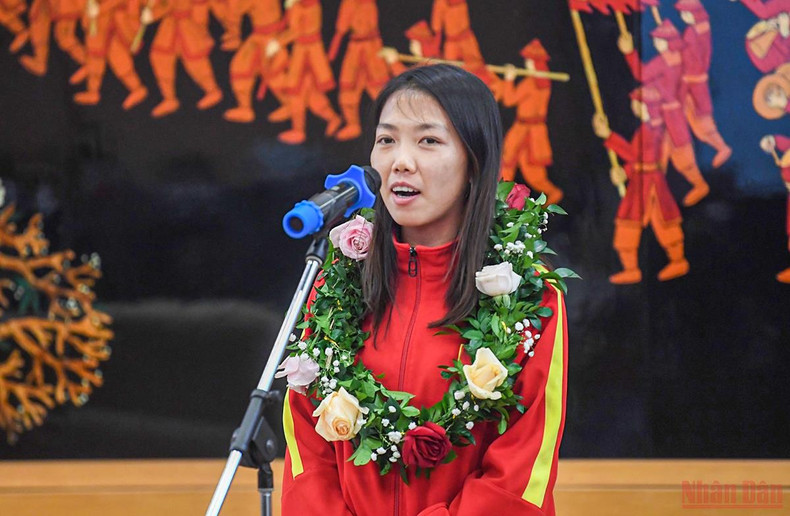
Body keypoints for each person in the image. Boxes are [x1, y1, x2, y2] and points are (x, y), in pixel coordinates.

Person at [281, 64, 568, 515]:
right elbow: (306, 451)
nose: (401, 161)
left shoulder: (529, 296)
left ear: (474, 162)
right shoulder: (335, 284)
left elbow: (519, 475)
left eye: (428, 141)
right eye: (386, 140)